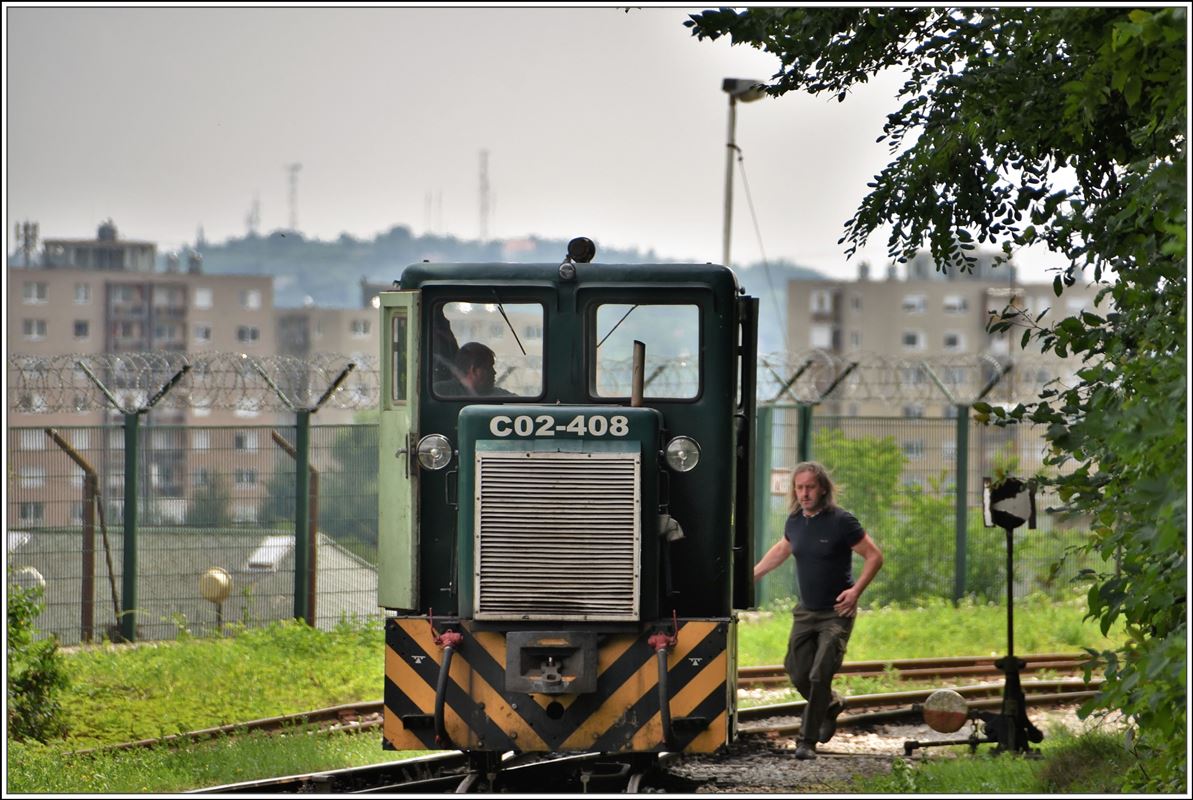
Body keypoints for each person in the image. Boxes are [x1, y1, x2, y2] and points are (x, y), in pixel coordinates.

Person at [753, 461, 884, 761]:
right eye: (799, 487)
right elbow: (783, 549)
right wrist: (753, 574)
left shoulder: (841, 521)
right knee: (797, 671)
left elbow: (874, 556)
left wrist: (855, 592)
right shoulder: (795, 521)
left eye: (810, 487)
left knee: (818, 676)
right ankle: (830, 705)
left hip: (837, 612)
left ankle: (806, 742)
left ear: (822, 488)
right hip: (806, 611)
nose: (804, 493)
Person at [435, 341, 513, 397]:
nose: (494, 372)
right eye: (489, 368)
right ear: (474, 370)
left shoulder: (501, 395)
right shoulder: (439, 392)